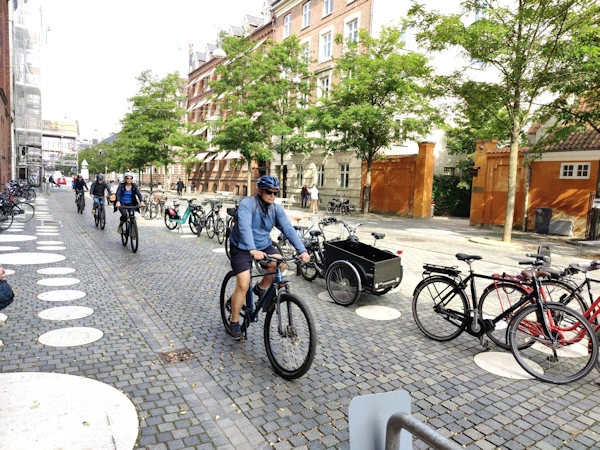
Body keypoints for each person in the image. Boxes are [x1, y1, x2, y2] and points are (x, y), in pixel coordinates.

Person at [227, 175, 310, 340]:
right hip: (242, 246)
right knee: (243, 285)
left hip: (263, 245)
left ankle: (260, 289)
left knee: (280, 264)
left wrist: (302, 250)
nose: (272, 195)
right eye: (268, 192)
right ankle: (234, 322)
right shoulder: (247, 204)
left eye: (275, 193)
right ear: (260, 191)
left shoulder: (275, 209)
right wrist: (251, 249)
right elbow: (244, 227)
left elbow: (287, 228)